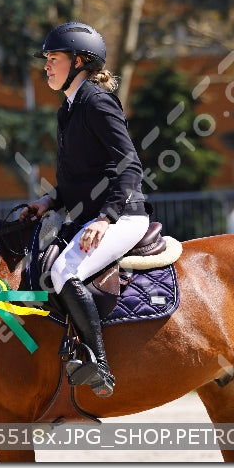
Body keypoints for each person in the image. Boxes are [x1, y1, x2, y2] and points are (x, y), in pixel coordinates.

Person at [20, 22, 150, 398]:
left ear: (79, 61)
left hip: (123, 215)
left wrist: (106, 219)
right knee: (41, 267)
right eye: (46, 59)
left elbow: (129, 166)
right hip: (89, 215)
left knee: (63, 270)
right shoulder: (70, 108)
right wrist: (50, 200)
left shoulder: (96, 101)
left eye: (54, 59)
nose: (46, 66)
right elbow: (84, 176)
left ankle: (100, 367)